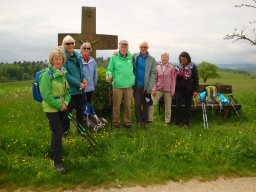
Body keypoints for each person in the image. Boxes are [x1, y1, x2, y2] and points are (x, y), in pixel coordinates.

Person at [39, 47, 71, 173]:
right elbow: (46, 95)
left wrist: (66, 103)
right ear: (51, 60)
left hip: (62, 106)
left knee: (59, 131)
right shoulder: (46, 74)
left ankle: (53, 153)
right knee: (57, 132)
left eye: (60, 59)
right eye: (56, 59)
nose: (58, 61)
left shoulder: (63, 72)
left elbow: (67, 91)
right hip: (51, 108)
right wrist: (59, 105)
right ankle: (57, 162)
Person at [106, 40, 135, 128]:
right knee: (116, 106)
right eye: (122, 46)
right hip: (117, 86)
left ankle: (127, 122)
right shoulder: (114, 57)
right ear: (119, 47)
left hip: (129, 86)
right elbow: (109, 70)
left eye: (125, 46)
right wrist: (108, 76)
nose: (123, 48)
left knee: (128, 106)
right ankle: (116, 123)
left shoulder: (132, 57)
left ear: (128, 48)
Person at [62, 35, 88, 133]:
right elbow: (66, 74)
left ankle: (81, 131)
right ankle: (65, 132)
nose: (70, 45)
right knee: (68, 114)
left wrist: (84, 79)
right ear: (64, 45)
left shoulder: (77, 55)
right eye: (67, 43)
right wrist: (78, 84)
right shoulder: (63, 57)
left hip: (80, 91)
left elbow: (82, 70)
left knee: (80, 112)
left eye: (72, 43)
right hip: (70, 91)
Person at [148, 52, 176, 126]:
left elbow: (173, 80)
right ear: (161, 58)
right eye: (163, 57)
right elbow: (155, 79)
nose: (164, 58)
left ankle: (167, 122)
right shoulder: (157, 67)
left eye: (166, 57)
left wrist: (172, 90)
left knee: (168, 106)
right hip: (158, 89)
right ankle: (149, 120)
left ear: (168, 58)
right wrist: (154, 89)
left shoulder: (172, 68)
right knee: (151, 104)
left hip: (168, 91)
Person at [133, 41, 156, 127]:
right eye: (141, 47)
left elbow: (153, 73)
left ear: (147, 48)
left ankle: (146, 121)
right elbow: (125, 55)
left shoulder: (152, 59)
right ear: (139, 47)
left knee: (146, 104)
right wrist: (116, 52)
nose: (143, 48)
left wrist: (150, 87)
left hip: (147, 87)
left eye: (145, 47)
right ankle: (139, 121)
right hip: (136, 86)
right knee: (137, 104)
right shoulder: (135, 57)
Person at [175, 51, 199, 128]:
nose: (183, 61)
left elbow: (196, 79)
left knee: (187, 107)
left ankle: (186, 123)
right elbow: (175, 79)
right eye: (181, 59)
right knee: (178, 106)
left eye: (184, 59)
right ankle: (177, 123)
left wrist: (195, 90)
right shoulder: (178, 67)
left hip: (189, 89)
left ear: (188, 59)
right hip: (179, 89)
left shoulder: (193, 66)